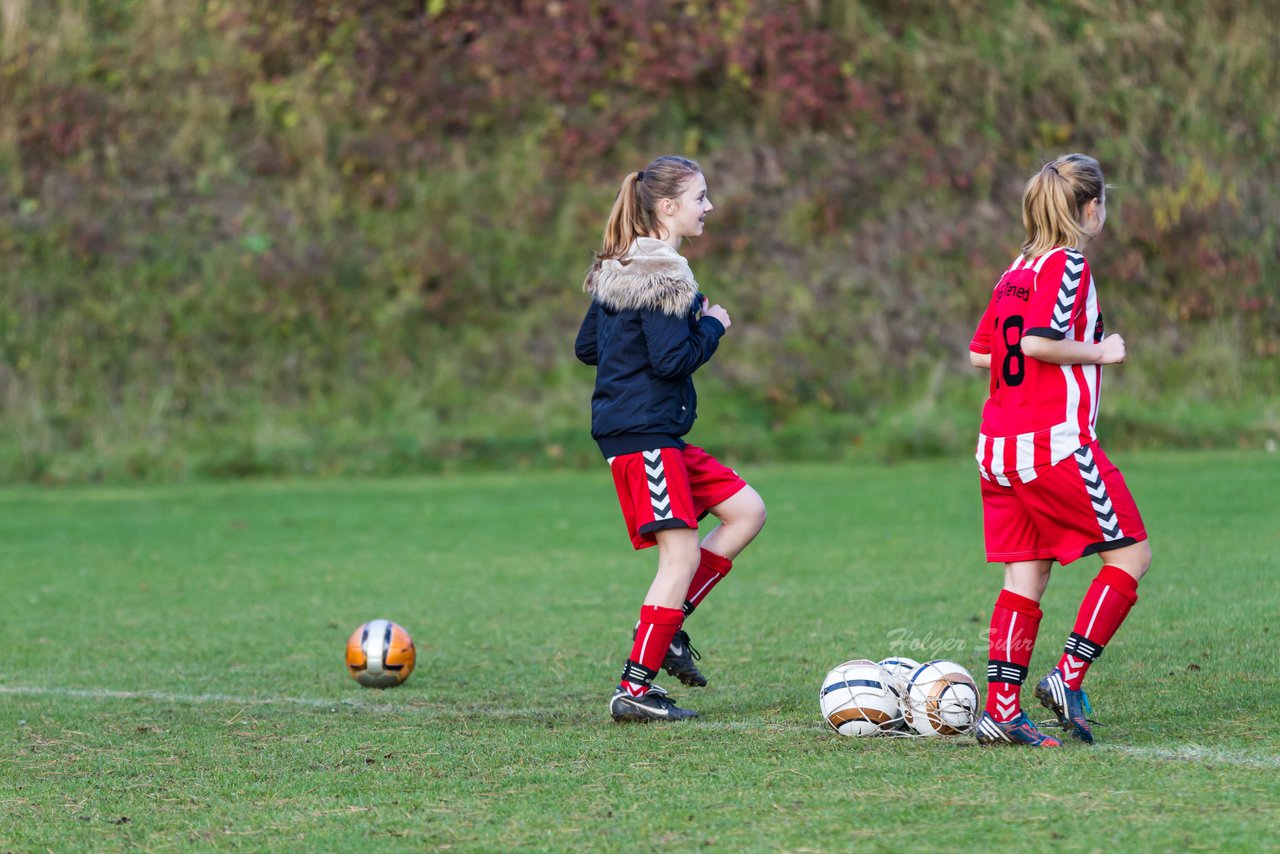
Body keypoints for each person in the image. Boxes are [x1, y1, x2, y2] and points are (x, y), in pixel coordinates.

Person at [575, 155, 767, 723]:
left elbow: (590, 347)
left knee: (746, 511)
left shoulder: (621, 265)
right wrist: (713, 325)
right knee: (680, 556)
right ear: (668, 207)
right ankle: (635, 688)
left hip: (655, 433)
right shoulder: (666, 272)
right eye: (700, 197)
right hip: (643, 436)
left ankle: (670, 626)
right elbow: (671, 359)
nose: (708, 207)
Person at [967, 153, 1152, 747]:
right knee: (1130, 557)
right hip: (1053, 446)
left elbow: (980, 355)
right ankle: (1067, 678)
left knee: (1026, 576)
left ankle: (1001, 711)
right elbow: (1042, 343)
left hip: (997, 447)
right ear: (1091, 208)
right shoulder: (1068, 264)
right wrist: (1103, 351)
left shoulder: (1014, 269)